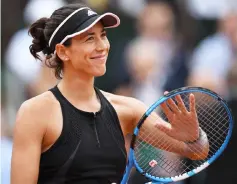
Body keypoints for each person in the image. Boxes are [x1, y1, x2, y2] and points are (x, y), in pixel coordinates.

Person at [11, 3, 209, 184]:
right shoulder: (34, 113)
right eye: (90, 38)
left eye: (103, 35)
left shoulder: (129, 109)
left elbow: (197, 151)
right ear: (63, 52)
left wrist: (194, 136)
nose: (102, 46)